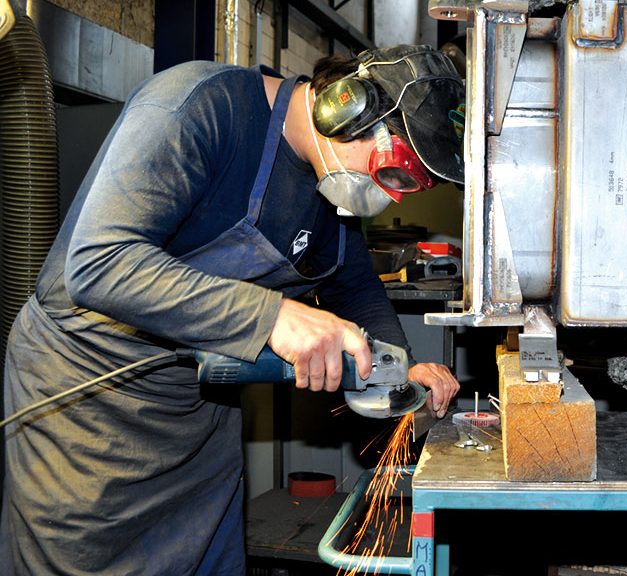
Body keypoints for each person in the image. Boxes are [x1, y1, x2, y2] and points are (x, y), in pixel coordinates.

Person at [1, 44, 463, 573]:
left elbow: (354, 286)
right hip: (88, 404)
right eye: (397, 173)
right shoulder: (197, 108)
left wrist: (396, 370)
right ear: (348, 107)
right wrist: (271, 317)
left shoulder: (331, 181)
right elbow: (99, 264)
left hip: (198, 409)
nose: (397, 197)